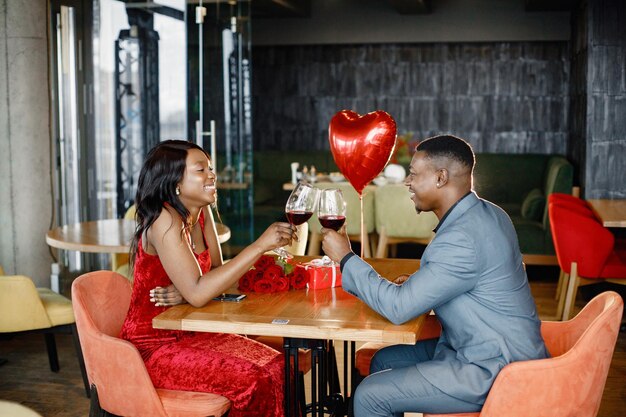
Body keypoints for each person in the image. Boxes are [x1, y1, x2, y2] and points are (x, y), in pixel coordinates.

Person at [321, 134, 549, 417]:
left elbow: (398, 308)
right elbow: (465, 280)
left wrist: (345, 258)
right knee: (383, 360)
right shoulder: (489, 214)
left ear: (441, 177)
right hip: (474, 346)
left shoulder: (462, 237)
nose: (408, 182)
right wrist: (420, 283)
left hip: (493, 367)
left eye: (414, 174)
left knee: (370, 397)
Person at [120, 140, 296, 417]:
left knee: (281, 366)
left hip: (197, 330)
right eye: (200, 169)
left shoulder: (201, 213)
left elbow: (221, 280)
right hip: (155, 346)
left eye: (210, 168)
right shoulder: (164, 219)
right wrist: (259, 246)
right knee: (255, 379)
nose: (212, 175)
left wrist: (188, 291)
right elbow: (201, 292)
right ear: (175, 181)